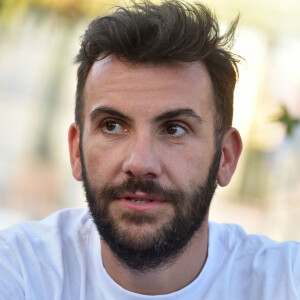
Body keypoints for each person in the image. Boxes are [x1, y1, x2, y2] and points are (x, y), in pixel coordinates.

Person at [0, 0, 299, 299]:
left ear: (226, 158)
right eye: (112, 126)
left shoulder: (285, 280)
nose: (140, 163)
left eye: (174, 129)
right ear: (77, 151)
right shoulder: (19, 270)